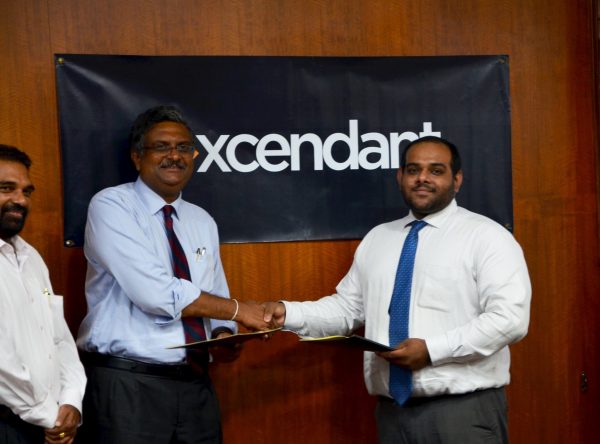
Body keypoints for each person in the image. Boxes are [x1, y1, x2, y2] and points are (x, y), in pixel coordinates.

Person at [263, 136, 531, 443]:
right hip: (392, 414)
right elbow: (347, 310)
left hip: (462, 413)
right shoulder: (378, 239)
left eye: (436, 170)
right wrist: (287, 313)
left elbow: (509, 319)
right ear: (400, 176)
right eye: (413, 170)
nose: (422, 178)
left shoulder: (487, 237)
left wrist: (431, 351)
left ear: (457, 180)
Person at [76, 106, 270, 444]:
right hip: (129, 386)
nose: (175, 156)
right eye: (161, 147)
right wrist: (239, 311)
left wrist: (224, 334)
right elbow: (155, 294)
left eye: (183, 148)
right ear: (137, 157)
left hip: (196, 386)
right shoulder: (111, 206)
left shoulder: (201, 220)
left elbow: (216, 296)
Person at [0, 144, 86, 444]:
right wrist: (50, 416)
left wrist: (71, 401)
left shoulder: (31, 258)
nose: (20, 200)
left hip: (43, 424)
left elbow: (58, 338)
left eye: (26, 191)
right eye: (6, 188)